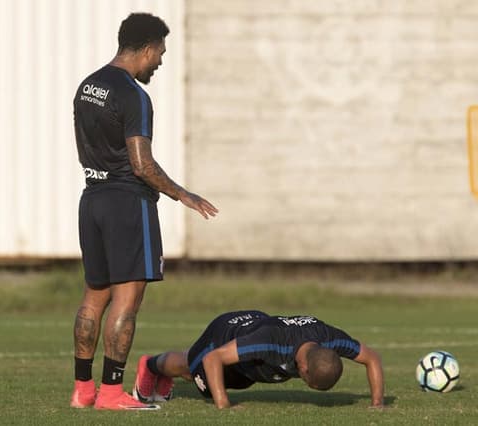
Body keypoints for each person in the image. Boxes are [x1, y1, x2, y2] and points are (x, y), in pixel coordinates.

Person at [70, 13, 219, 411]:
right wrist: (181, 194)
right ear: (148, 48)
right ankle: (114, 393)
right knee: (127, 301)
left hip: (93, 198)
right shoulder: (133, 94)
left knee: (93, 297)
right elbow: (141, 164)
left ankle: (83, 390)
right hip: (126, 203)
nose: (160, 63)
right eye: (161, 54)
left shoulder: (88, 86)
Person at [133, 310, 385, 409]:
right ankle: (151, 366)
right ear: (304, 368)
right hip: (223, 334)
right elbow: (213, 358)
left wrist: (377, 404)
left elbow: (371, 358)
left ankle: (167, 375)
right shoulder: (271, 343)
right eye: (310, 382)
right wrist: (224, 405)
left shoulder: (331, 338)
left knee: (242, 379)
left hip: (254, 333)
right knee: (194, 369)